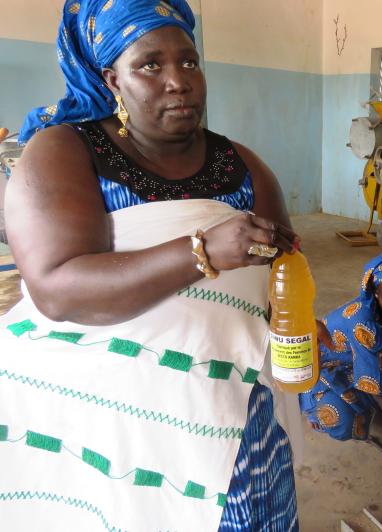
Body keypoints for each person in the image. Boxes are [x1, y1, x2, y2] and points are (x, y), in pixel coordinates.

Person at [0, 1, 305, 530]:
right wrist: (201, 252)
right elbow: (57, 290)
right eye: (150, 65)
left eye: (189, 62)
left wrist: (293, 318)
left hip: (232, 412)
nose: (178, 81)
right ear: (111, 78)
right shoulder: (65, 153)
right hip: (112, 417)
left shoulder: (242, 166)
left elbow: (286, 269)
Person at [299, 252, 382, 441]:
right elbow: (381, 396)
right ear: (376, 293)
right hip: (326, 371)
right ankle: (312, 408)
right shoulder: (362, 323)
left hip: (354, 362)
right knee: (341, 419)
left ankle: (371, 397)